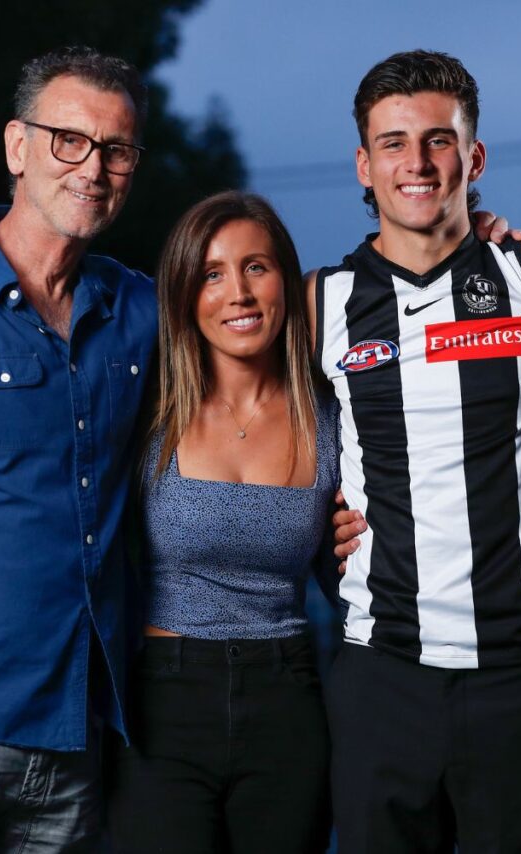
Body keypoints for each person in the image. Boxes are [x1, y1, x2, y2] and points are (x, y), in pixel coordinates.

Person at [316, 49, 521, 853]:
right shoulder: (319, 305)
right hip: (380, 670)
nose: (416, 162)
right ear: (364, 163)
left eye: (438, 140)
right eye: (392, 143)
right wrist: (309, 522)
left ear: (474, 156)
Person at [105, 191, 338, 853]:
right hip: (164, 702)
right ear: (185, 294)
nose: (237, 292)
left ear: (285, 282)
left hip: (289, 697)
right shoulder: (145, 404)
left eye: (256, 268)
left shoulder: (331, 416)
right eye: (212, 274)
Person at [0, 47, 155, 852]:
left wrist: (464, 239)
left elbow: (269, 313)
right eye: (68, 140)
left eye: (117, 150)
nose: (93, 168)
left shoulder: (143, 309)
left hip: (80, 734)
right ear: (17, 147)